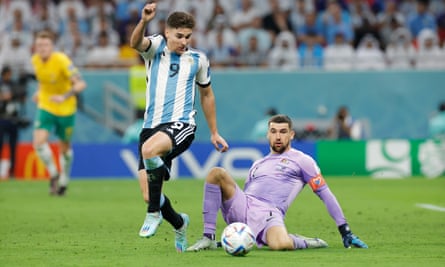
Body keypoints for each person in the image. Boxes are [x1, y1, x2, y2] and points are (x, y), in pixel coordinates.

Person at [187, 114, 368, 252]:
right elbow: (246, 192)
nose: (278, 137)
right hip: (244, 205)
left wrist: (345, 230)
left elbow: (325, 194)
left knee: (281, 245)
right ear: (268, 134)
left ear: (291, 135)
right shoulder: (258, 163)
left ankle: (303, 241)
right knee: (216, 173)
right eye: (273, 132)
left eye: (283, 132)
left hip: (271, 213)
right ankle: (208, 237)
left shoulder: (303, 161)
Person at [129, 3, 229, 253]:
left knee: (150, 152)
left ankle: (153, 214)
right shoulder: (155, 48)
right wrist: (143, 21)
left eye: (188, 36)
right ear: (167, 33)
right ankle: (179, 222)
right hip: (150, 127)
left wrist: (214, 131)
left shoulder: (198, 59)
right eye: (179, 36)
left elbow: (207, 95)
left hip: (181, 124)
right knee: (148, 193)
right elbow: (134, 43)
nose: (184, 41)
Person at [30, 30, 87, 196]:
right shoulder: (35, 61)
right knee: (39, 142)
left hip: (66, 108)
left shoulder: (61, 60)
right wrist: (38, 93)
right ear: (35, 47)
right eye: (39, 45)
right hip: (46, 105)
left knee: (64, 148)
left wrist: (64, 96)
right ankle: (54, 173)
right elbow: (43, 82)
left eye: (45, 45)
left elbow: (80, 84)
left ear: (52, 46)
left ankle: (64, 179)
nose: (42, 48)